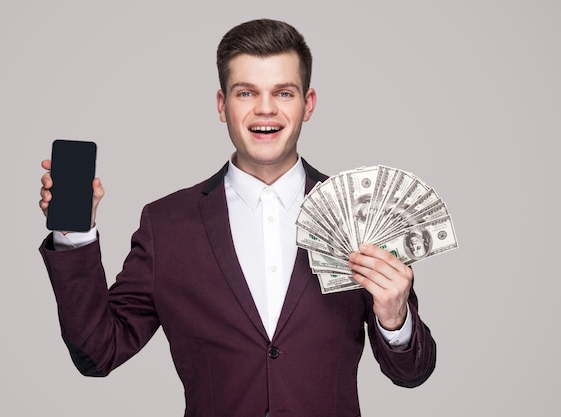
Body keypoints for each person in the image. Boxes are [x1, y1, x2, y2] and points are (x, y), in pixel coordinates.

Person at [38, 18, 436, 417]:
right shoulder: (167, 225)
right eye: (246, 93)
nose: (266, 109)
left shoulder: (359, 215)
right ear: (222, 105)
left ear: (308, 104)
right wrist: (75, 236)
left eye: (283, 92)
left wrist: (395, 319)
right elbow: (98, 353)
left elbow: (412, 372)